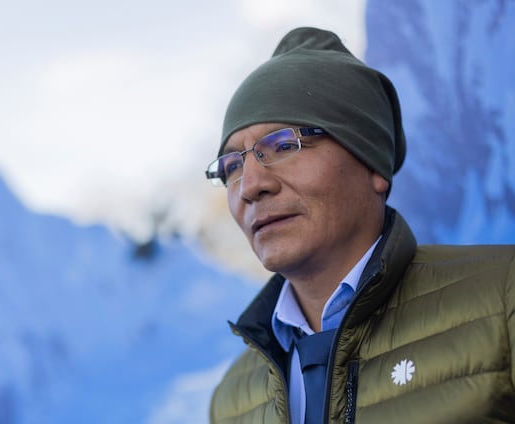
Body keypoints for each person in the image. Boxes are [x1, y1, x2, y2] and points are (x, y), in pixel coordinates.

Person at [205, 27, 515, 424]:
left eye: (284, 145)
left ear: (371, 163)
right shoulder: (232, 399)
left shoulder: (501, 299)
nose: (250, 186)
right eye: (232, 166)